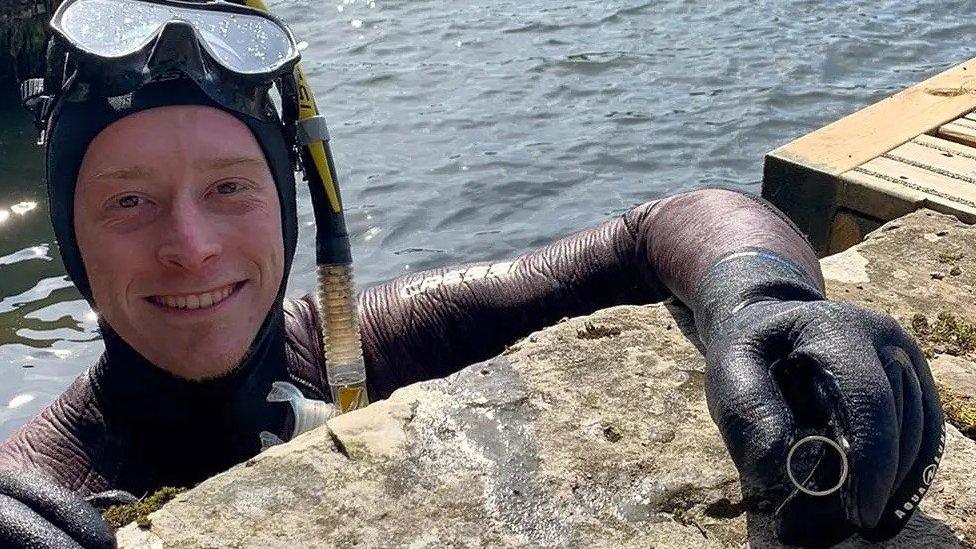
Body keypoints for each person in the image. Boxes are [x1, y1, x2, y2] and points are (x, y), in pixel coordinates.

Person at [0, 0, 944, 547]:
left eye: (230, 187)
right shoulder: (32, 486)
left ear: (289, 205)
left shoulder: (354, 348)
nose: (192, 244)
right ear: (70, 236)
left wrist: (759, 302)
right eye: (128, 201)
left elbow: (669, 224)